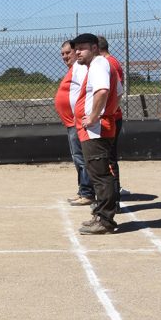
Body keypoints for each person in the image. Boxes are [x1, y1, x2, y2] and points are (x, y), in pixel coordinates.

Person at [72, 33, 120, 235]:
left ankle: (106, 220)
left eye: (82, 48)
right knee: (97, 172)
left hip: (96, 129)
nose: (77, 52)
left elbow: (103, 91)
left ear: (94, 48)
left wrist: (93, 117)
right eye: (76, 48)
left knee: (100, 175)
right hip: (96, 127)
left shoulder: (99, 64)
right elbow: (117, 93)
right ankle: (101, 215)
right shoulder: (100, 65)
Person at [55, 40, 93, 206]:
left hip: (77, 122)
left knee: (81, 158)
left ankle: (87, 192)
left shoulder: (79, 67)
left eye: (67, 53)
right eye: (62, 54)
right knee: (78, 158)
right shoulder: (73, 69)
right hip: (71, 123)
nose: (65, 56)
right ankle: (82, 190)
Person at [97, 35, 126, 197]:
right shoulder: (110, 62)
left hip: (111, 117)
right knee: (107, 158)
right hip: (110, 115)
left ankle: (113, 195)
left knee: (109, 159)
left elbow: (115, 91)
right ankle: (110, 194)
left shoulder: (109, 63)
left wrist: (108, 112)